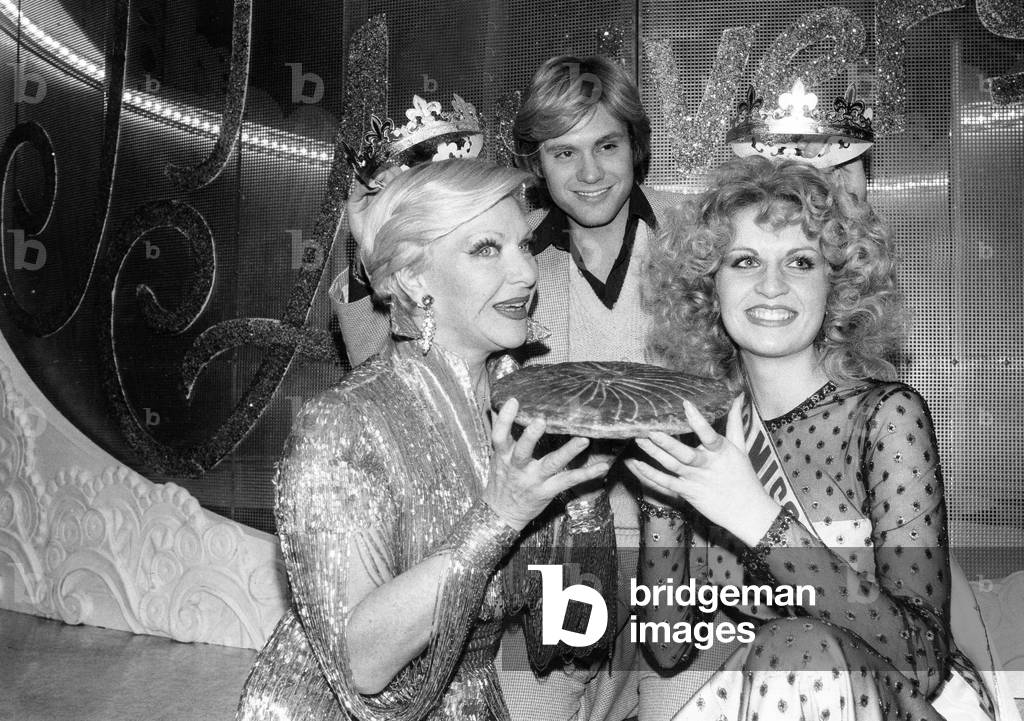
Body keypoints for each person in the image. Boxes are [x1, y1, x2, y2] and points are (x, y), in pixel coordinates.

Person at [335, 56, 686, 721]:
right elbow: (404, 373)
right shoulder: (515, 265)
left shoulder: (697, 242)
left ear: (636, 147)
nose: (588, 172)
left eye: (607, 145)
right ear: (536, 161)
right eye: (564, 151)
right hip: (559, 561)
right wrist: (367, 252)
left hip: (686, 553)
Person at [236, 159, 614, 721]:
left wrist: (584, 506)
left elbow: (566, 641)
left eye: (524, 246)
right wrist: (501, 516)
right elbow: (360, 665)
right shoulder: (343, 424)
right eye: (487, 248)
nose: (526, 274)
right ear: (414, 278)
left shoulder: (532, 407)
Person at [625, 155, 995, 720]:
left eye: (800, 261)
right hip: (764, 697)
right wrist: (663, 501)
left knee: (795, 648)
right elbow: (668, 647)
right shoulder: (706, 432)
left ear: (836, 282)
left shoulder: (885, 417)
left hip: (894, 701)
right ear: (708, 285)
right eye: (744, 261)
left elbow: (922, 659)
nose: (771, 285)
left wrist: (756, 518)